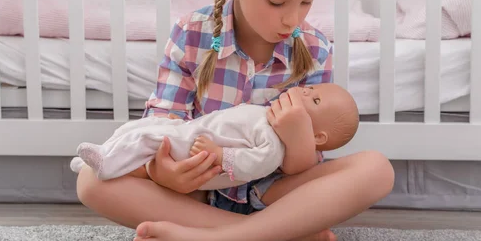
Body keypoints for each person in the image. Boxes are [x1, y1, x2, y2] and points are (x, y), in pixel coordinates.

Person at [76, 0, 394, 241]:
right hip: (198, 188)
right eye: (277, 2)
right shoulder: (192, 34)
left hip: (277, 191)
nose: (293, 18)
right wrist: (162, 172)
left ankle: (218, 239)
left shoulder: (315, 48)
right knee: (90, 180)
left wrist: (297, 135)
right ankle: (277, 232)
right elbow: (161, 125)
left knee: (377, 169)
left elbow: (308, 165)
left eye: (307, 2)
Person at [71, 83, 359, 188]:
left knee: (146, 142)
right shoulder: (264, 115)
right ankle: (97, 158)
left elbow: (257, 163)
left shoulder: (273, 143)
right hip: (185, 135)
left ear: (317, 137)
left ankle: (107, 163)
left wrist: (221, 155)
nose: (306, 91)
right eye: (311, 89)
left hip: (195, 153)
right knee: (135, 130)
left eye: (314, 100)